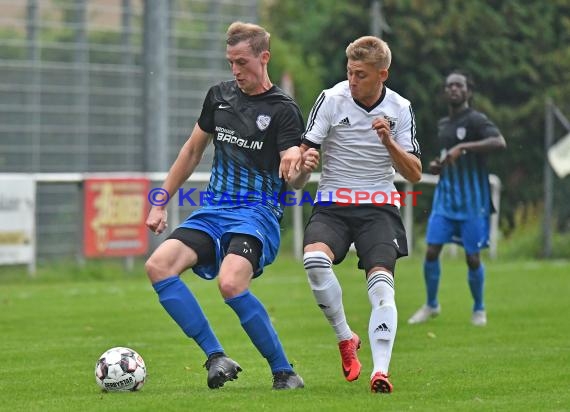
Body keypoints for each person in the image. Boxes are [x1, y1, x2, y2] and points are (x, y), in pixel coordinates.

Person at [144, 21, 319, 390]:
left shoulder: (283, 109)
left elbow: (293, 170)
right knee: (159, 266)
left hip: (257, 214)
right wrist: (159, 203)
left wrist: (299, 168)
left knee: (230, 283)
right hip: (213, 211)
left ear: (264, 57)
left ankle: (284, 372)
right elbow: (192, 151)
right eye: (230, 62)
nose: (235, 71)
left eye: (242, 62)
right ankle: (215, 356)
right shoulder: (219, 96)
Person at [300, 36, 421, 393]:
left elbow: (413, 173)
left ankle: (380, 372)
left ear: (382, 74)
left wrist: (389, 142)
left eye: (361, 75)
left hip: (379, 206)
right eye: (350, 72)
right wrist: (303, 165)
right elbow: (299, 171)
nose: (352, 80)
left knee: (382, 284)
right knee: (313, 261)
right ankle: (345, 338)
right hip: (333, 203)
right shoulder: (331, 99)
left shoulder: (400, 108)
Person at [407, 70, 506, 327]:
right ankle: (431, 304)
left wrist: (463, 148)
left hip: (473, 201)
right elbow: (447, 156)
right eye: (449, 85)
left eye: (458, 85)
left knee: (472, 257)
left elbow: (499, 142)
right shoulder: (443, 125)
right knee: (431, 251)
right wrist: (439, 165)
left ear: (468, 91)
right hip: (445, 199)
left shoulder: (476, 120)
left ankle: (479, 308)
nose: (453, 89)